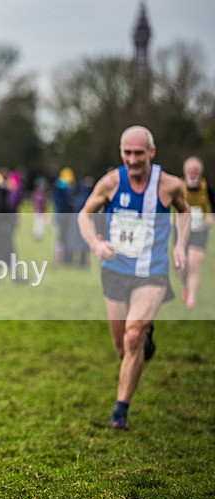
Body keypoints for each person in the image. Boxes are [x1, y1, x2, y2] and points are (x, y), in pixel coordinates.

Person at [77, 125, 190, 430]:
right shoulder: (112, 182)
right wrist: (97, 243)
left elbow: (185, 212)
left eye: (139, 152)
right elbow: (84, 215)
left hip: (151, 274)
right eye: (127, 152)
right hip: (115, 272)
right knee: (122, 348)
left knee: (132, 336)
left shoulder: (170, 185)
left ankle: (120, 412)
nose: (132, 158)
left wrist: (180, 245)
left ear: (151, 152)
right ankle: (144, 342)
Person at [179, 156, 214, 308]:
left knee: (194, 262)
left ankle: (192, 297)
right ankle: (185, 285)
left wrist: (211, 218)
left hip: (200, 228)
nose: (193, 174)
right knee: (181, 266)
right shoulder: (178, 187)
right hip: (181, 230)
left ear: (200, 172)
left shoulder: (207, 188)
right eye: (190, 171)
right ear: (185, 172)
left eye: (196, 171)